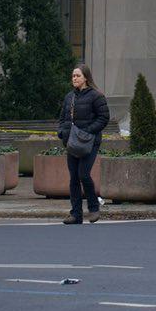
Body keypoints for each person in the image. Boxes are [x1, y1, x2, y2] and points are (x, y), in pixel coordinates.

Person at [57, 61, 110, 225]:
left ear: (86, 77)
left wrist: (88, 131)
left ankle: (94, 208)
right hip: (73, 143)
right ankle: (76, 214)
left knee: (83, 174)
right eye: (73, 75)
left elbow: (103, 118)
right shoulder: (69, 97)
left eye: (78, 75)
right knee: (73, 177)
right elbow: (63, 118)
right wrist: (62, 132)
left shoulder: (96, 96)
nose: (74, 78)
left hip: (89, 142)